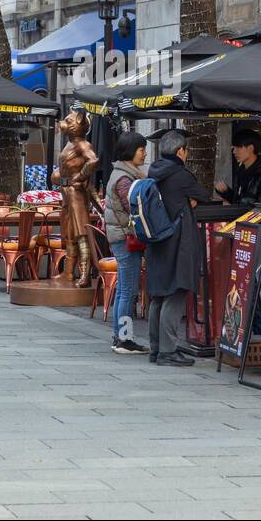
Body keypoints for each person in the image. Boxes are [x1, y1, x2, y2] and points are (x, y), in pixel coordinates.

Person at [145, 130, 208, 366]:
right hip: (179, 242)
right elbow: (203, 194)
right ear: (180, 151)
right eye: (187, 150)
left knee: (159, 295)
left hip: (157, 242)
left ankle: (156, 348)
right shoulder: (181, 175)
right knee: (176, 292)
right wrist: (190, 201)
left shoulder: (154, 171)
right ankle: (168, 352)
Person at [104, 131, 149, 355]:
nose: (144, 153)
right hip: (126, 239)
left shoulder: (124, 173)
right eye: (142, 150)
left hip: (120, 237)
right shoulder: (124, 178)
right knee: (128, 291)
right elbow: (133, 207)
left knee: (124, 289)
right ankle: (124, 339)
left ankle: (119, 337)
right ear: (131, 151)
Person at [214, 128, 261, 206]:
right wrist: (226, 192)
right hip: (241, 216)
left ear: (250, 148)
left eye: (238, 148)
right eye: (233, 148)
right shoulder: (241, 170)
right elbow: (239, 200)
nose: (234, 152)